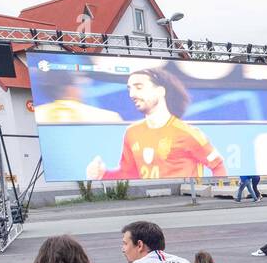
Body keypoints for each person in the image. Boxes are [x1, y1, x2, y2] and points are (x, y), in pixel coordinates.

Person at [86, 65, 226, 182]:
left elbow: (218, 166)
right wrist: (103, 175)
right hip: (152, 206)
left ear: (160, 91)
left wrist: (216, 197)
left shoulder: (187, 133)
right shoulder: (132, 132)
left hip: (183, 207)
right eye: (130, 89)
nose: (132, 94)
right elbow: (129, 175)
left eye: (139, 87)